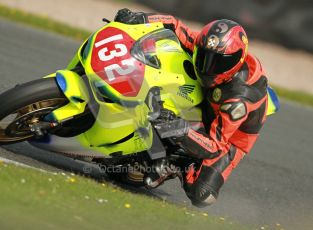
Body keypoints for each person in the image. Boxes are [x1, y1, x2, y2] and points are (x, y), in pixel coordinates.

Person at [114, 9, 269, 207]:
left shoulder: (239, 100)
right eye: (204, 57)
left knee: (202, 195)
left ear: (235, 61)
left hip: (229, 138)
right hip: (207, 101)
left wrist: (175, 126)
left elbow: (215, 147)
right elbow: (173, 24)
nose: (207, 68)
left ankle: (180, 164)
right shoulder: (210, 47)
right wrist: (138, 18)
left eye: (217, 63)